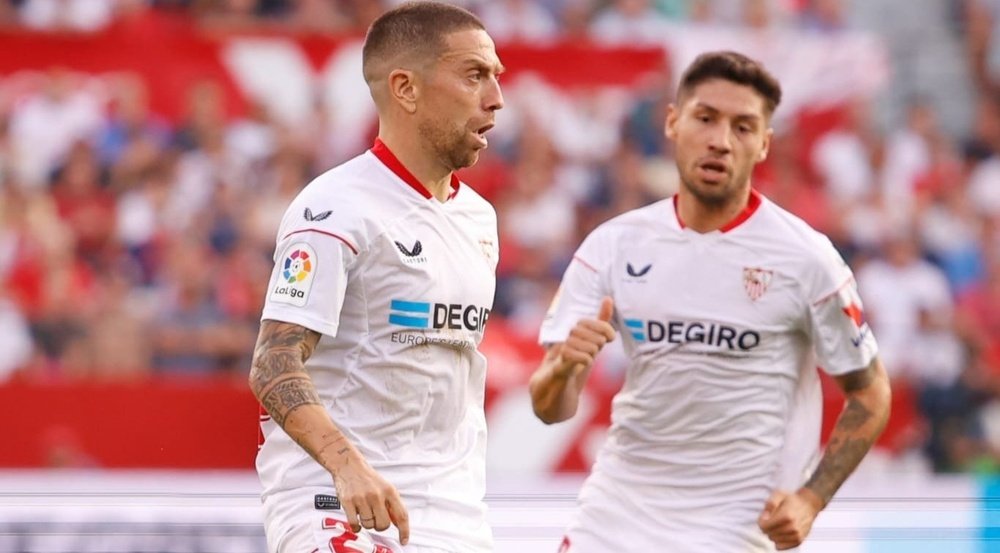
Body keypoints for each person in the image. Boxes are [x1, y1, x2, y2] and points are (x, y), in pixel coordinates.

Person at [530, 51, 891, 552]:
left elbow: (871, 394)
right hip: (613, 521)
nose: (721, 140)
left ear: (764, 144)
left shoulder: (808, 260)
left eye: (743, 127)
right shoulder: (613, 246)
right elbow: (550, 408)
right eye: (705, 118)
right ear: (674, 122)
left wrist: (810, 499)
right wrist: (564, 368)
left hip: (735, 532)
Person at [248, 3, 504, 552]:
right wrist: (347, 466)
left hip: (453, 512)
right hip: (336, 499)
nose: (495, 98)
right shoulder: (336, 209)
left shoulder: (479, 218)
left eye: (495, 78)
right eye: (474, 75)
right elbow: (272, 364)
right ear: (406, 89)